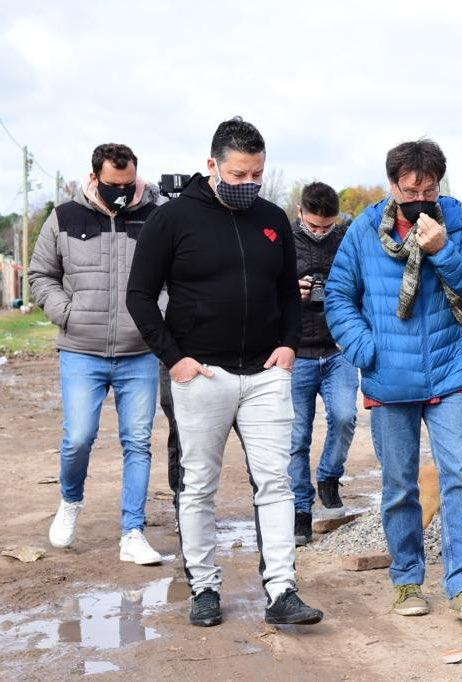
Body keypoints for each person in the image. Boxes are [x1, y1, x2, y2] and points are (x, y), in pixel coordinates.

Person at [126, 117, 323, 628]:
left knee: (275, 482)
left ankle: (282, 591)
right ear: (212, 165)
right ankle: (205, 588)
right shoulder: (171, 221)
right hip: (201, 374)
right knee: (199, 487)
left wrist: (287, 346)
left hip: (265, 374)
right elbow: (140, 297)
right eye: (238, 174)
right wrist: (176, 360)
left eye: (256, 174)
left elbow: (287, 293)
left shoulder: (273, 217)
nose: (247, 184)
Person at [325, 139, 462, 622]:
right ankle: (408, 581)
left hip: (449, 372)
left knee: (461, 478)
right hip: (390, 379)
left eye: (429, 189)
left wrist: (443, 251)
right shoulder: (364, 230)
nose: (420, 197)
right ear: (393, 185)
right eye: (411, 189)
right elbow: (340, 299)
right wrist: (369, 351)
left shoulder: (457, 220)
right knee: (400, 486)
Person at [29, 143, 163, 565]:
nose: (122, 192)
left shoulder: (156, 216)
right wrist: (65, 313)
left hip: (139, 352)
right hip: (81, 350)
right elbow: (40, 274)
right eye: (113, 185)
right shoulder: (64, 217)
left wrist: (157, 315)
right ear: (95, 178)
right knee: (78, 437)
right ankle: (70, 501)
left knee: (138, 442)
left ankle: (133, 532)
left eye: (129, 184)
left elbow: (176, 275)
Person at [289, 182, 358, 546]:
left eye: (326, 227)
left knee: (345, 417)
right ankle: (300, 508)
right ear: (300, 212)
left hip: (339, 348)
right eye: (313, 226)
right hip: (296, 351)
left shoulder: (347, 239)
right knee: (296, 436)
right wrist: (289, 289)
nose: (319, 233)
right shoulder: (282, 239)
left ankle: (329, 479)